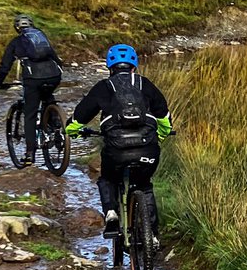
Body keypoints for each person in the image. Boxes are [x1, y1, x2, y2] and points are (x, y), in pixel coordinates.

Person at [66, 45, 172, 237]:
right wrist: (162, 135)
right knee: (144, 185)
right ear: (134, 67)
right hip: (147, 149)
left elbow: (80, 115)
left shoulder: (104, 87)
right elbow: (164, 115)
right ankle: (153, 237)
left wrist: (73, 131)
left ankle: (112, 213)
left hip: (116, 150)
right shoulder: (144, 84)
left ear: (109, 67)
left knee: (107, 179)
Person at [0, 14, 64, 166]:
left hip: (33, 78)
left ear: (17, 28)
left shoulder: (16, 42)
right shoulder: (41, 38)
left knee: (30, 113)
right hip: (54, 75)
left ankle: (30, 153)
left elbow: (5, 65)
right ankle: (55, 122)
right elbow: (56, 59)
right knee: (47, 94)